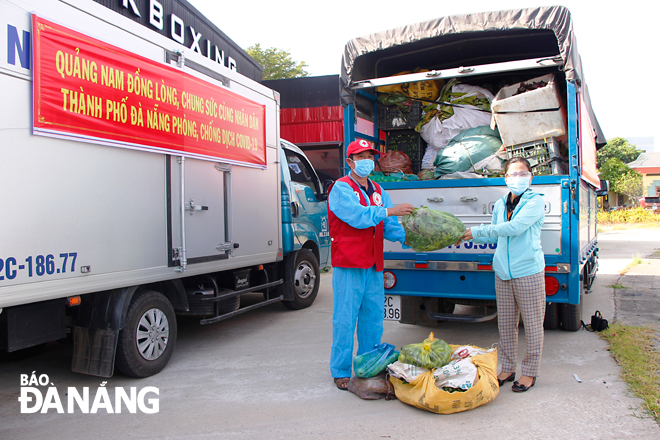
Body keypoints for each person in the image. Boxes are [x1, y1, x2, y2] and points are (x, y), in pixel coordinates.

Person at [328, 139, 414, 390]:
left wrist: (410, 239)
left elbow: (388, 225)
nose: (366, 160)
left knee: (372, 319)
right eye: (361, 156)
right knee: (345, 319)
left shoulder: (378, 189)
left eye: (369, 156)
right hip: (349, 263)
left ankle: (368, 367)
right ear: (350, 162)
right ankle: (340, 370)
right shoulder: (341, 189)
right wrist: (389, 211)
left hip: (374, 264)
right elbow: (357, 217)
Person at [456, 157, 545, 393]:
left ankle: (529, 372)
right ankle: (507, 368)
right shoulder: (499, 204)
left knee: (533, 325)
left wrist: (474, 230)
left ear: (530, 177)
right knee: (506, 324)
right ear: (505, 178)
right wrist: (466, 235)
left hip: (528, 271)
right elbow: (496, 235)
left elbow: (513, 228)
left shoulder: (535, 202)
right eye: (513, 174)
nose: (518, 178)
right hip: (503, 272)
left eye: (522, 173)